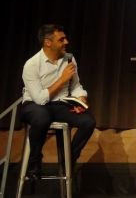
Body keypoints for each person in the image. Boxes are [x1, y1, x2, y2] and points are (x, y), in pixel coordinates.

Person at [21, 24, 96, 179]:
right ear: (48, 42)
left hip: (60, 103)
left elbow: (76, 86)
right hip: (34, 105)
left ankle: (68, 159)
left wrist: (80, 98)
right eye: (61, 39)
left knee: (88, 121)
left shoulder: (69, 59)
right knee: (42, 117)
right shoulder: (32, 65)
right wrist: (62, 80)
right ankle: (34, 161)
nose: (66, 42)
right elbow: (40, 99)